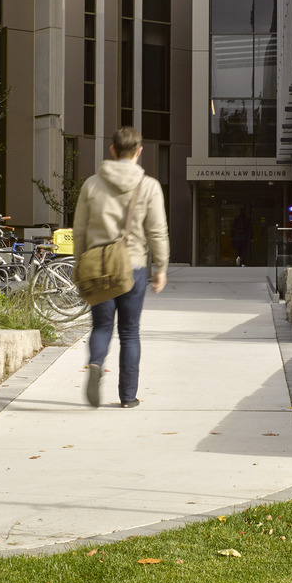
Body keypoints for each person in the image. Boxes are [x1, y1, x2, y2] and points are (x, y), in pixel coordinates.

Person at [73, 125, 169, 408]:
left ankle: (95, 363)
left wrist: (80, 262)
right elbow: (157, 231)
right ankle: (127, 397)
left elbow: (79, 229)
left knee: (101, 326)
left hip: (98, 266)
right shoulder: (149, 186)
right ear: (139, 151)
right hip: (134, 267)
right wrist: (161, 266)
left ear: (112, 150)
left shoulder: (92, 184)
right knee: (129, 332)